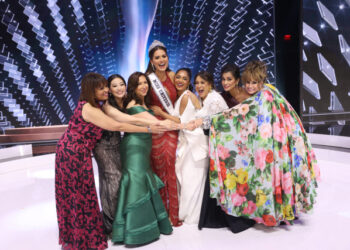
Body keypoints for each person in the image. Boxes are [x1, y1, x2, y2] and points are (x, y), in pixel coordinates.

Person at [55, 73, 167, 250]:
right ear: (91, 90)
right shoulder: (89, 108)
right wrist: (147, 128)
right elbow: (117, 126)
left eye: (105, 86)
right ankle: (83, 236)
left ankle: (85, 233)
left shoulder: (98, 105)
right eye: (102, 88)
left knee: (84, 194)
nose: (106, 90)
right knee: (78, 195)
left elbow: (123, 119)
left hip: (79, 152)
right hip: (71, 153)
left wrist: (148, 123)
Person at [208, 60, 320, 226]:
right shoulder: (263, 94)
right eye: (248, 83)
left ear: (262, 82)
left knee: (271, 174)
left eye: (255, 82)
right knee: (271, 176)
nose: (251, 86)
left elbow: (243, 112)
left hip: (275, 143)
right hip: (272, 142)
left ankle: (277, 211)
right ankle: (277, 210)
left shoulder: (266, 94)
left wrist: (217, 120)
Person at [112, 72, 175, 245]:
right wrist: (185, 124)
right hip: (134, 146)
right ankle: (136, 231)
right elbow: (157, 123)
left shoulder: (141, 102)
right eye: (139, 83)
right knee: (137, 183)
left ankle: (150, 224)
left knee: (142, 181)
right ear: (133, 87)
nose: (144, 86)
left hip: (142, 145)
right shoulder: (133, 104)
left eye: (145, 82)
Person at [152, 68, 207, 224]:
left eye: (184, 78)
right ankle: (187, 213)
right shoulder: (183, 96)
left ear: (189, 82)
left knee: (190, 180)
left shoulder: (186, 97)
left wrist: (161, 115)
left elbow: (180, 122)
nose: (180, 80)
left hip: (193, 143)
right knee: (187, 179)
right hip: (188, 141)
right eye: (178, 77)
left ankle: (191, 216)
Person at [146, 40, 181, 226]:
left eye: (164, 56)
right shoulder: (147, 79)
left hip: (172, 126)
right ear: (151, 60)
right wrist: (156, 114)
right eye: (157, 57)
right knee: (158, 169)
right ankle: (160, 213)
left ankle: (173, 215)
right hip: (155, 128)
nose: (161, 60)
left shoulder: (173, 75)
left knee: (172, 166)